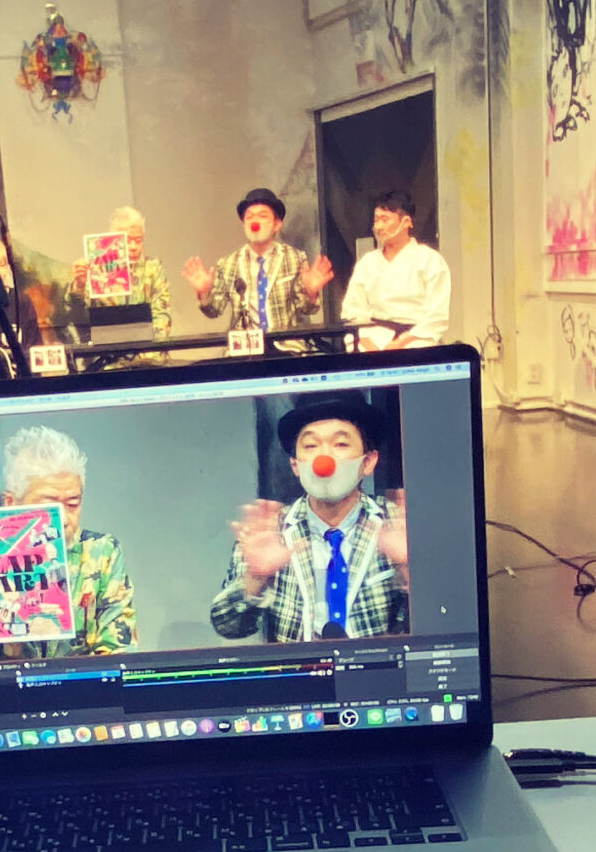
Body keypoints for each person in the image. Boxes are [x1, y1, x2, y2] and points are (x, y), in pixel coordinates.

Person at [210, 394, 408, 642]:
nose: (323, 459)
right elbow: (228, 626)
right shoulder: (269, 531)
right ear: (295, 465)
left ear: (368, 462)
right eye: (311, 446)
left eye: (341, 444)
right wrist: (256, 579)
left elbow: (439, 619)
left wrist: (408, 567)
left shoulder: (398, 524)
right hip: (297, 667)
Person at [0, 423, 137, 656]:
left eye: (72, 504)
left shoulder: (102, 552)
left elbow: (120, 652)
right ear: (11, 504)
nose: (62, 520)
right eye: (49, 507)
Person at [186, 188, 332, 334]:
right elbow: (214, 311)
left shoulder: (295, 258)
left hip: (285, 343)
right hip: (244, 344)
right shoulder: (228, 264)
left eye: (263, 216)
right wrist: (204, 293)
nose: (255, 222)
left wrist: (311, 292)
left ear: (277, 224)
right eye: (249, 217)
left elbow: (307, 309)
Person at [339, 188, 452, 351]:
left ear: (406, 222)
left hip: (417, 339)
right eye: (376, 220)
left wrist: (401, 343)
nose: (379, 226)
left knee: (418, 352)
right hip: (373, 337)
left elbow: (437, 315)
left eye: (385, 220)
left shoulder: (430, 260)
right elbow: (352, 312)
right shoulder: (367, 263)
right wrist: (367, 344)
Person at [71, 204, 175, 347]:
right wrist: (80, 285)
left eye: (138, 241)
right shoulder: (99, 270)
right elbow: (81, 311)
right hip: (109, 352)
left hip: (149, 352)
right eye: (127, 241)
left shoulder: (153, 269)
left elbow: (162, 313)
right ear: (115, 241)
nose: (133, 247)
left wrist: (153, 347)